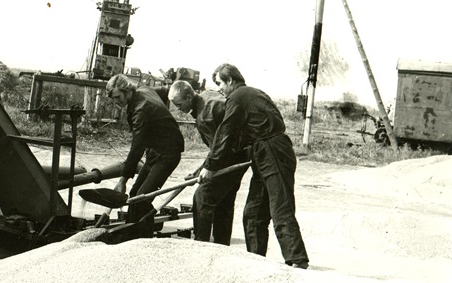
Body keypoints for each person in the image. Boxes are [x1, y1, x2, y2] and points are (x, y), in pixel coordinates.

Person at [199, 63, 310, 269]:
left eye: (220, 83)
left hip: (272, 150)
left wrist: (210, 165)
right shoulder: (253, 93)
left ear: (230, 80)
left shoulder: (237, 97)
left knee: (280, 206)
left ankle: (297, 260)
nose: (219, 89)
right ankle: (256, 261)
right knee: (253, 212)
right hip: (264, 151)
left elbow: (226, 132)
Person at [168, 80, 246, 245]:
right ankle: (221, 245)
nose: (177, 108)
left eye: (179, 104)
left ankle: (201, 244)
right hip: (242, 152)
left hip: (232, 155)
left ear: (189, 97)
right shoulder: (206, 96)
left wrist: (209, 167)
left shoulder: (205, 116)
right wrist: (199, 170)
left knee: (203, 195)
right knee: (224, 200)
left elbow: (220, 146)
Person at [106, 74, 184, 233]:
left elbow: (137, 147)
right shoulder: (144, 90)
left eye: (118, 97)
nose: (116, 102)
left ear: (127, 91)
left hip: (168, 154)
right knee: (135, 194)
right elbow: (164, 91)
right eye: (113, 99)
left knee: (142, 199)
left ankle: (144, 241)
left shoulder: (141, 109)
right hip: (155, 151)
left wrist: (122, 180)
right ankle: (131, 234)